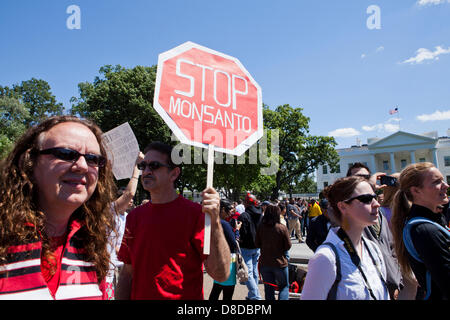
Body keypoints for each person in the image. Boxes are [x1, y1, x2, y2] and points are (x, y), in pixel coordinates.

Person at [0, 115, 116, 299]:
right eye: (66, 154)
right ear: (29, 162)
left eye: (93, 159)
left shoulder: (93, 248)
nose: (83, 166)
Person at [301, 176, 390, 300]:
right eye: (366, 199)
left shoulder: (373, 248)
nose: (376, 204)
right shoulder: (325, 258)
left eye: (374, 197)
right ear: (343, 206)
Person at [391, 162, 450, 300]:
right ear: (416, 191)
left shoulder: (433, 220)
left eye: (443, 180)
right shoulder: (424, 230)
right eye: (437, 182)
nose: (446, 185)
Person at [347, 162, 403, 299]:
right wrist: (367, 188)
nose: (364, 180)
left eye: (367, 177)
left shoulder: (379, 213)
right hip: (367, 286)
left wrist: (397, 281)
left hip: (390, 286)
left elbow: (391, 248)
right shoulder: (346, 212)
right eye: (359, 177)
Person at [105, 151, 144, 300]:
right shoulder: (109, 211)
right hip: (103, 273)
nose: (130, 200)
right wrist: (136, 167)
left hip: (119, 266)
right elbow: (130, 193)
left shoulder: (127, 216)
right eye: (123, 197)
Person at [255, 204, 292, 300]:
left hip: (265, 263)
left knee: (268, 289)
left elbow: (257, 244)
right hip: (280, 263)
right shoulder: (282, 228)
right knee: (284, 287)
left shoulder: (260, 227)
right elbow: (288, 246)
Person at [209, 199, 239, 301]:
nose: (232, 211)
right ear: (222, 209)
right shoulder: (224, 224)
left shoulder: (213, 221)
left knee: (216, 290)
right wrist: (237, 231)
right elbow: (234, 243)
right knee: (228, 293)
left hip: (217, 259)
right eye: (230, 209)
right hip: (228, 260)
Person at [237, 193, 263, 300]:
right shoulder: (260, 213)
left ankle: (256, 296)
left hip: (246, 247)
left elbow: (242, 232)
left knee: (248, 273)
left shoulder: (244, 215)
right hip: (257, 247)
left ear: (247, 203)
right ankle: (253, 295)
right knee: (254, 272)